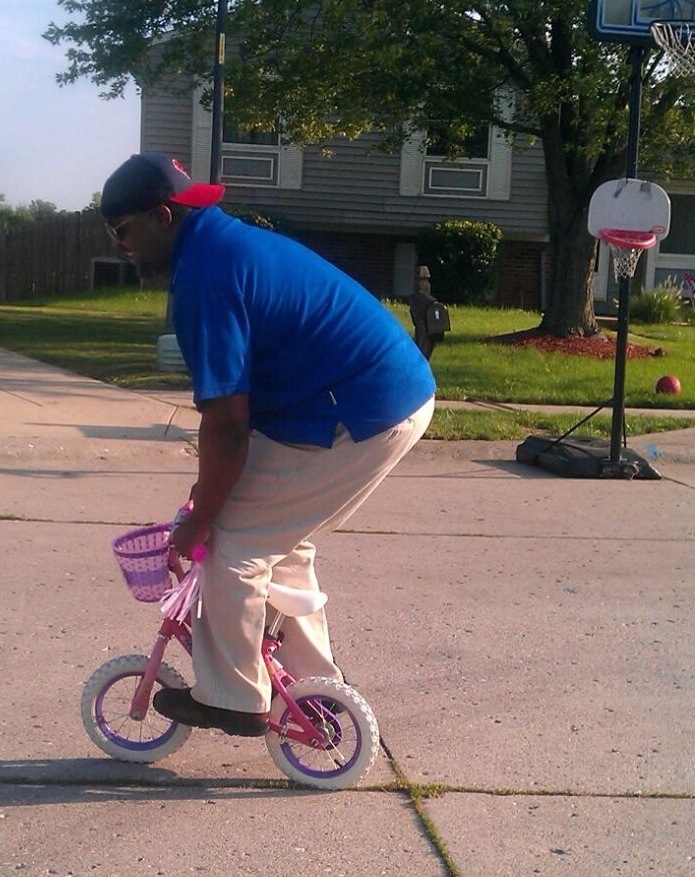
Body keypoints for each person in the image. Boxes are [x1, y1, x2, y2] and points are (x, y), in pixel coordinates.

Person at [100, 152, 436, 737]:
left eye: (123, 231)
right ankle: (313, 688)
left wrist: (200, 518)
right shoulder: (221, 245)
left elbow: (227, 424)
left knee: (230, 542)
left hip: (361, 408)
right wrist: (207, 492)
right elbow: (237, 426)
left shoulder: (205, 275)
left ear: (161, 216)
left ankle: (234, 697)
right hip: (377, 396)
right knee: (281, 538)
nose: (121, 245)